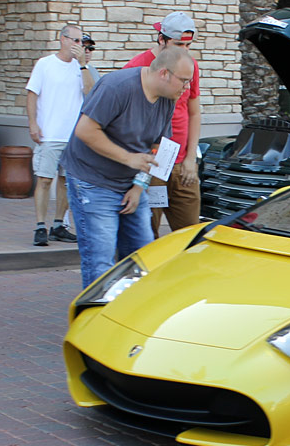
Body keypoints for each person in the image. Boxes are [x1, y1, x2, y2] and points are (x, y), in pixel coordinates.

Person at [62, 46, 194, 289]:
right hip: (93, 182)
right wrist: (128, 158)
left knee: (141, 257)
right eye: (184, 81)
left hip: (130, 183)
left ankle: (129, 314)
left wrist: (138, 186)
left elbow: (156, 148)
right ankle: (97, 320)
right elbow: (84, 130)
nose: (187, 88)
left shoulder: (167, 100)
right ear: (164, 73)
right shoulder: (116, 87)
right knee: (100, 263)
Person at [124, 11, 200, 236]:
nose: (184, 51)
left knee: (190, 235)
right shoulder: (137, 67)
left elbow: (194, 112)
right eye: (178, 44)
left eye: (188, 45)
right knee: (147, 233)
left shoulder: (189, 66)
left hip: (181, 163)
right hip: (151, 163)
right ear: (161, 39)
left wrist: (190, 158)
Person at [26, 25, 94, 246]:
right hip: (50, 134)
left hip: (73, 136)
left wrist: (83, 64)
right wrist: (33, 124)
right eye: (74, 41)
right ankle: (39, 226)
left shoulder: (82, 68)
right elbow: (32, 94)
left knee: (66, 181)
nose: (78, 46)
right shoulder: (45, 64)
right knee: (45, 179)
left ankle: (58, 225)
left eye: (80, 42)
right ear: (62, 39)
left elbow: (91, 93)